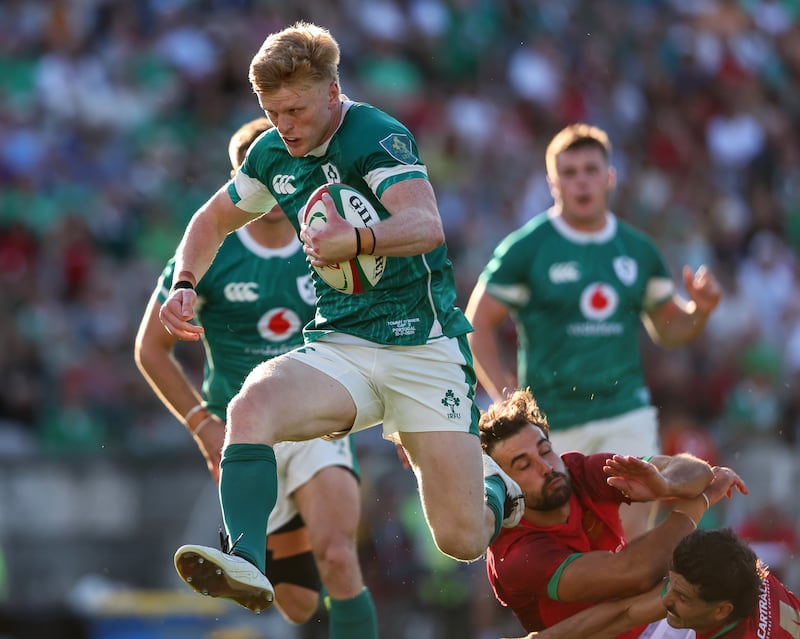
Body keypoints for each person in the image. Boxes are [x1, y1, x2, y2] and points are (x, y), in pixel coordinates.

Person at [157, 21, 524, 615]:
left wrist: (354, 240)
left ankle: (496, 488)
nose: (286, 126)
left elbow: (426, 224)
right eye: (273, 112)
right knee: (251, 405)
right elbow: (212, 219)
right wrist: (184, 281)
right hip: (343, 344)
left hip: (423, 347)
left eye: (296, 109)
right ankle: (247, 558)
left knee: (460, 539)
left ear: (331, 92)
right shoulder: (274, 152)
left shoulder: (375, 135)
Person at [134, 117, 378, 637]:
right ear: (238, 178)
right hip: (244, 434)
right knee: (295, 604)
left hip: (316, 420)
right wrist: (202, 424)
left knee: (338, 556)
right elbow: (150, 350)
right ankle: (267, 535)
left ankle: (267, 545)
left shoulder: (328, 238)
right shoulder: (208, 252)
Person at [465, 122, 723, 540]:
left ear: (609, 178)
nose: (581, 181)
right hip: (552, 424)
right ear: (552, 182)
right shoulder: (526, 249)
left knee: (633, 541)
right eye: (569, 173)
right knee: (573, 545)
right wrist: (504, 396)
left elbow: (670, 330)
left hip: (625, 412)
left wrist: (701, 310)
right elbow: (477, 324)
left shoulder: (637, 250)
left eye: (590, 170)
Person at [479, 388, 747, 638]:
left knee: (747, 598)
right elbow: (636, 574)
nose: (546, 467)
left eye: (545, 451)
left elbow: (696, 472)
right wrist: (701, 499)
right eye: (524, 465)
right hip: (633, 621)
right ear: (504, 484)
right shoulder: (514, 553)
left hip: (653, 620)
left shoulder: (578, 471)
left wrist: (666, 483)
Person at [503, 528, 800, 639]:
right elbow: (627, 612)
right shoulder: (730, 576)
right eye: (671, 584)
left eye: (682, 596)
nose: (667, 599)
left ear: (722, 611)